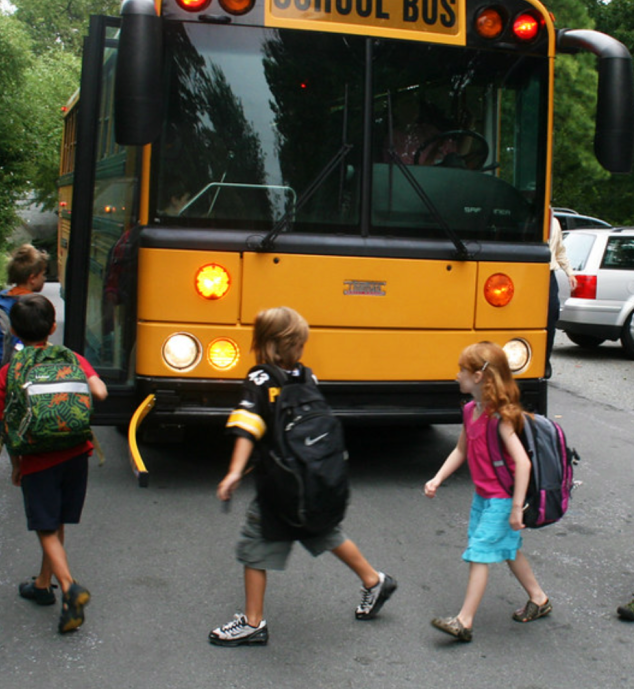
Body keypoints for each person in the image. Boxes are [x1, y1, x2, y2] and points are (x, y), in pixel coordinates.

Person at [209, 307, 397, 647]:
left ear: (263, 342)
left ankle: (252, 623)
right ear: (294, 345)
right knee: (322, 530)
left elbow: (247, 426)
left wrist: (235, 471)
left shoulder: (259, 379)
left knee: (254, 547)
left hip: (279, 485)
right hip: (310, 478)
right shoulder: (307, 377)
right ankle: (373, 579)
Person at [0, 294, 107, 634]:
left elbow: (0, 426)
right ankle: (43, 584)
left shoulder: (10, 372)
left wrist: (15, 464)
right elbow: (100, 393)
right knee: (55, 523)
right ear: (53, 327)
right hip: (75, 450)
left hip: (37, 458)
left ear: (14, 331)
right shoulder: (72, 358)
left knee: (44, 526)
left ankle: (69, 588)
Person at [424, 341, 551, 642]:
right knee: (508, 549)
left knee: (479, 554)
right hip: (483, 497)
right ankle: (539, 599)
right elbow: (461, 450)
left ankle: (464, 621)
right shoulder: (471, 410)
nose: (457, 376)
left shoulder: (501, 417)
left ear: (478, 377)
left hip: (502, 500)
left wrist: (517, 508)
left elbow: (523, 464)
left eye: (462, 371)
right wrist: (437, 478)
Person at [0, 244, 49, 499]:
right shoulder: (34, 304)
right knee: (19, 421)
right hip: (18, 372)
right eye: (44, 274)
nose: (45, 279)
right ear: (32, 277)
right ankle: (24, 472)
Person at [546, 211, 577, 378]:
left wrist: (569, 272)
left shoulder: (554, 222)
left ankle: (545, 361)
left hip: (549, 274)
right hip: (529, 273)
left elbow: (560, 251)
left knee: (552, 314)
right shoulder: (530, 220)